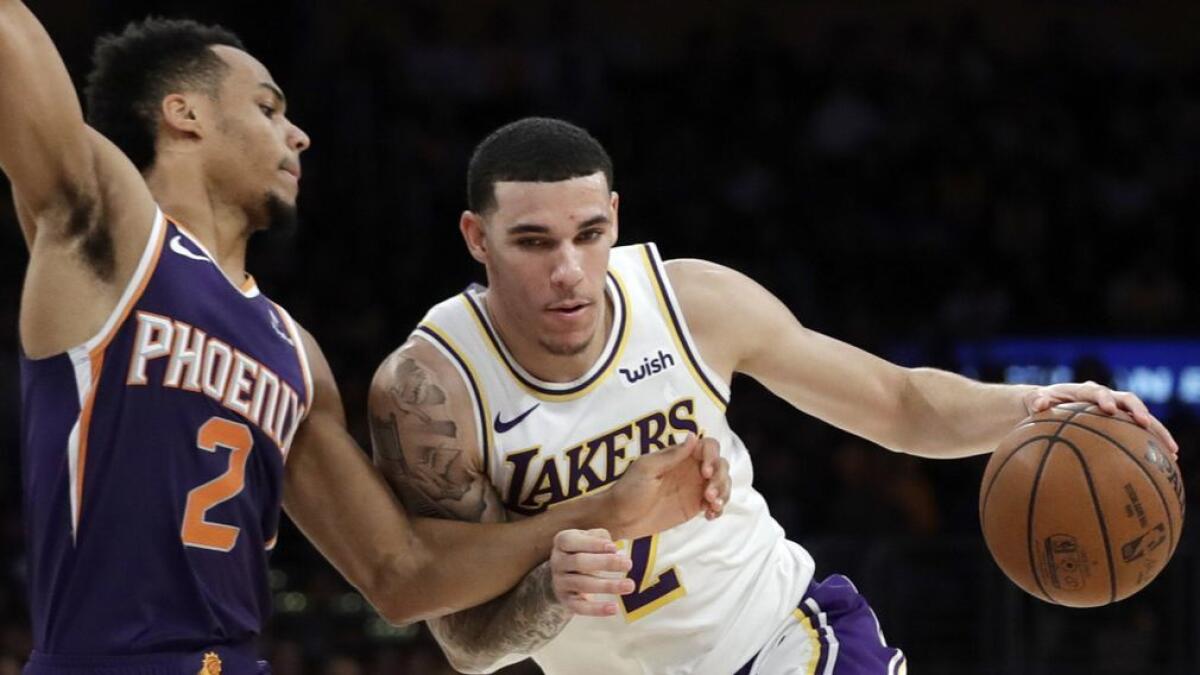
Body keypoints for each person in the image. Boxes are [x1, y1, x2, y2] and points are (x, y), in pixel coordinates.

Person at [0, 7, 730, 673]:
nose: (298, 134)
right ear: (184, 113)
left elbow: (402, 572)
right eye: (267, 108)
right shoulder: (109, 239)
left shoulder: (294, 352)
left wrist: (602, 509)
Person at [369, 116, 1178, 675]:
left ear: (614, 217)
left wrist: (1034, 405)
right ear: (477, 238)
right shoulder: (432, 391)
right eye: (533, 242)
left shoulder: (692, 304)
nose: (569, 271)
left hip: (784, 639)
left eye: (589, 234)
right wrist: (550, 581)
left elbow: (896, 404)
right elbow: (466, 641)